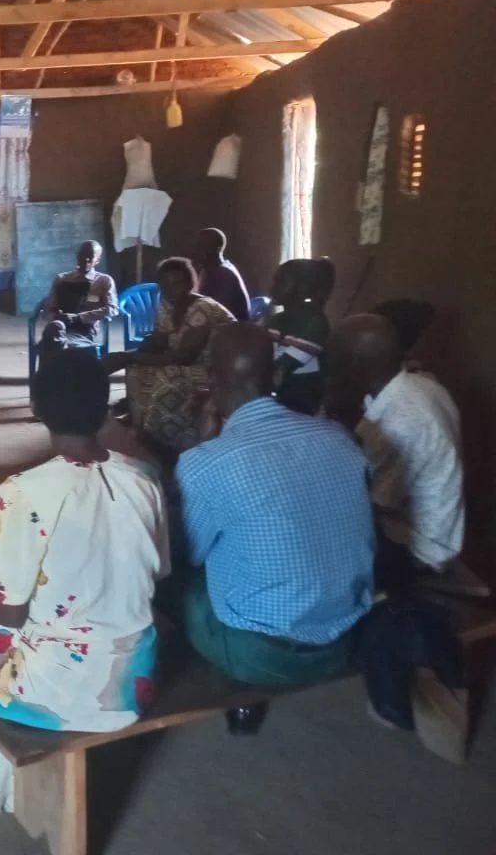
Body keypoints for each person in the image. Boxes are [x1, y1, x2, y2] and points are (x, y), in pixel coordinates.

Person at [0, 350, 168, 815]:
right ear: (106, 407)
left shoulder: (21, 492)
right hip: (133, 684)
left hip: (55, 691)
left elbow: (11, 613)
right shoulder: (143, 478)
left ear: (37, 409)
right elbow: (156, 571)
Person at [175, 324, 374, 689]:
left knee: (171, 580)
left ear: (211, 377)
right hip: (345, 636)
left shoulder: (206, 462)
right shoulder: (338, 437)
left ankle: (230, 691)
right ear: (278, 375)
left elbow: (191, 554)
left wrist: (198, 444)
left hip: (262, 653)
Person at [327, 314, 464, 576]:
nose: (329, 371)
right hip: (433, 531)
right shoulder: (425, 385)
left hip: (416, 549)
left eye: (334, 362)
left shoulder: (396, 424)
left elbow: (365, 505)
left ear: (354, 363)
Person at [105, 257, 235, 453]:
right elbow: (158, 339)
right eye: (165, 286)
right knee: (136, 370)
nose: (172, 291)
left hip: (217, 370)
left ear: (190, 283)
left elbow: (185, 356)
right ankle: (141, 428)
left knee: (168, 377)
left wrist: (126, 357)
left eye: (178, 284)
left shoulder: (203, 308)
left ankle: (165, 440)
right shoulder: (168, 306)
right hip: (191, 364)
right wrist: (124, 357)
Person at [264, 257, 335, 415]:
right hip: (284, 397)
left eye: (281, 283)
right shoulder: (277, 320)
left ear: (303, 289)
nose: (272, 288)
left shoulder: (315, 323)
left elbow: (282, 369)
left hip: (304, 403)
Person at [40, 239, 118, 344]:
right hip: (61, 324)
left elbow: (112, 309)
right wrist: (56, 317)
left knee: (67, 344)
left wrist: (79, 317)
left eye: (90, 256)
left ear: (97, 260)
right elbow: (49, 307)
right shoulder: (62, 279)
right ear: (77, 256)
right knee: (50, 338)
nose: (86, 259)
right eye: (82, 255)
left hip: (86, 327)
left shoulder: (103, 281)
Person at [192, 228, 250, 322]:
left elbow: (215, 311)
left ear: (217, 249)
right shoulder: (211, 270)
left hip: (231, 329)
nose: (196, 250)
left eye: (202, 245)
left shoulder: (223, 274)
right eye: (197, 245)